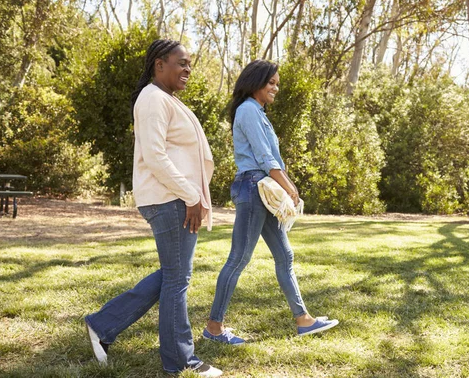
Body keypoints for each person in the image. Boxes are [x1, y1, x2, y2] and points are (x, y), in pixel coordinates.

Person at [84, 39, 222, 377]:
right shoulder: (152, 99)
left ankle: (102, 324)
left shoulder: (165, 98)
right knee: (177, 278)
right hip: (170, 199)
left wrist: (194, 196)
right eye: (181, 63)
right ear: (159, 64)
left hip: (176, 198)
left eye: (190, 64)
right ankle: (180, 359)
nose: (187, 69)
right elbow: (155, 157)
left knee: (173, 274)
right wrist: (191, 195)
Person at [203, 60, 339, 345]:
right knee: (238, 258)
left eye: (277, 83)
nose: (276, 88)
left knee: (284, 256)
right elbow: (265, 158)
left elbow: (270, 158)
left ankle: (303, 320)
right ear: (256, 83)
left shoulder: (258, 112)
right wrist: (289, 187)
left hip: (261, 190)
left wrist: (285, 183)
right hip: (254, 189)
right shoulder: (249, 110)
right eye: (271, 83)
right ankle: (214, 328)